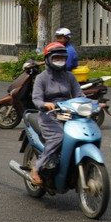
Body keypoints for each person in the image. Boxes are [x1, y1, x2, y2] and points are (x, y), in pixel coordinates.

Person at [29, 40, 83, 186]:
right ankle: (36, 168)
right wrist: (45, 104)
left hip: (69, 113)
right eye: (56, 58)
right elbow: (36, 99)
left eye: (62, 58)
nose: (60, 61)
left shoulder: (69, 76)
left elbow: (80, 95)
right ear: (48, 59)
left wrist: (93, 104)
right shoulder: (41, 78)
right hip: (49, 115)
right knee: (58, 137)